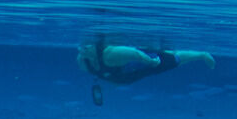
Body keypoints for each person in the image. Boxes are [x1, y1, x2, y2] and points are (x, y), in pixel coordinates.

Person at [78, 35, 214, 85]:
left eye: (86, 47)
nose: (82, 50)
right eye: (81, 48)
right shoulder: (82, 60)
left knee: (172, 59)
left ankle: (202, 54)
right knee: (169, 59)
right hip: (123, 76)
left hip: (136, 67)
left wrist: (150, 62)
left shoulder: (111, 54)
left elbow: (135, 53)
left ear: (95, 46)